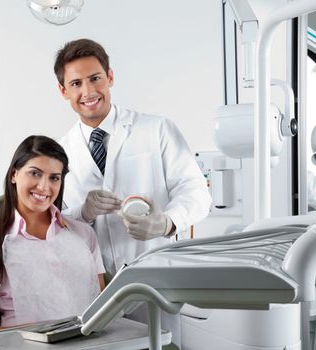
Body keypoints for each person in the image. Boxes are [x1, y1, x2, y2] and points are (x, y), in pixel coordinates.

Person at [54, 38, 212, 346]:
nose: (88, 92)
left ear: (110, 77)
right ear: (64, 91)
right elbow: (58, 225)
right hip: (94, 292)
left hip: (156, 280)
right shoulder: (61, 152)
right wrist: (82, 214)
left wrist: (165, 222)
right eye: (76, 83)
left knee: (161, 344)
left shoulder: (156, 129)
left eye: (95, 78)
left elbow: (196, 192)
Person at [0, 135, 105, 332]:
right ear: (14, 174)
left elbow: (102, 310)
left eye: (54, 178)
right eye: (35, 173)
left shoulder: (84, 235)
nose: (44, 187)